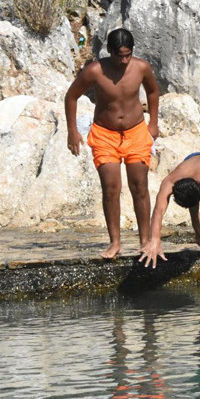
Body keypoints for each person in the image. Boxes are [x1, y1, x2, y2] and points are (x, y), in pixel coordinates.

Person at [65, 28, 160, 258]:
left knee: (139, 186)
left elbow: (153, 92)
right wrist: (72, 131)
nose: (124, 60)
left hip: (136, 131)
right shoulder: (95, 71)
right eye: (120, 55)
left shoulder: (141, 68)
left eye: (128, 54)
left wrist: (153, 123)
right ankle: (115, 242)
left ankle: (145, 240)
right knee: (111, 188)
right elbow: (71, 96)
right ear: (109, 51)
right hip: (104, 134)